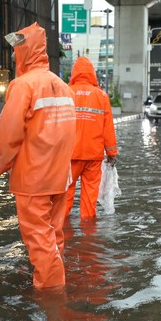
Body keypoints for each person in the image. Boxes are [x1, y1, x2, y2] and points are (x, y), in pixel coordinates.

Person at [0, 22, 76, 289]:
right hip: (60, 177)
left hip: (35, 178)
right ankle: (57, 281)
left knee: (38, 238)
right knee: (53, 235)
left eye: (16, 50)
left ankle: (51, 297)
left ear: (26, 51)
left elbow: (9, 134)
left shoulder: (23, 86)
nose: (12, 56)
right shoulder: (62, 86)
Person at [65, 57, 118, 219]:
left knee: (65, 194)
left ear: (74, 73)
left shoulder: (65, 93)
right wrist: (112, 153)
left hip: (69, 155)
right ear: (92, 74)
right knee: (90, 198)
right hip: (93, 155)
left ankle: (62, 231)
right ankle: (89, 235)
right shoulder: (101, 96)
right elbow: (108, 128)